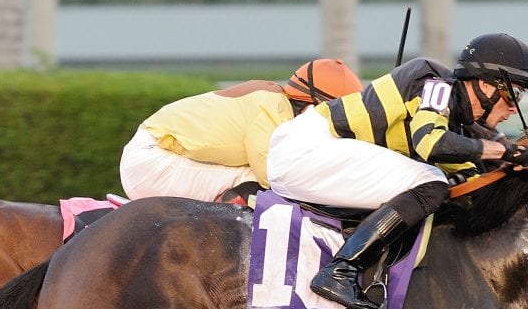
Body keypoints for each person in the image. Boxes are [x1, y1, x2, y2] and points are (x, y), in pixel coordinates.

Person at [266, 32, 528, 309]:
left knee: (438, 185)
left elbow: (469, 184)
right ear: (486, 84)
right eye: (513, 93)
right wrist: (500, 151)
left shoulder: (453, 117)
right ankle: (341, 270)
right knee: (432, 182)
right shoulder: (436, 84)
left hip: (310, 159)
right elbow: (432, 142)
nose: (514, 107)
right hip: (305, 150)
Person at [119, 59, 363, 202]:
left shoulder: (274, 101)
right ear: (312, 104)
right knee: (260, 182)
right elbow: (273, 173)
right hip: (151, 163)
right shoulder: (273, 108)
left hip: (155, 155)